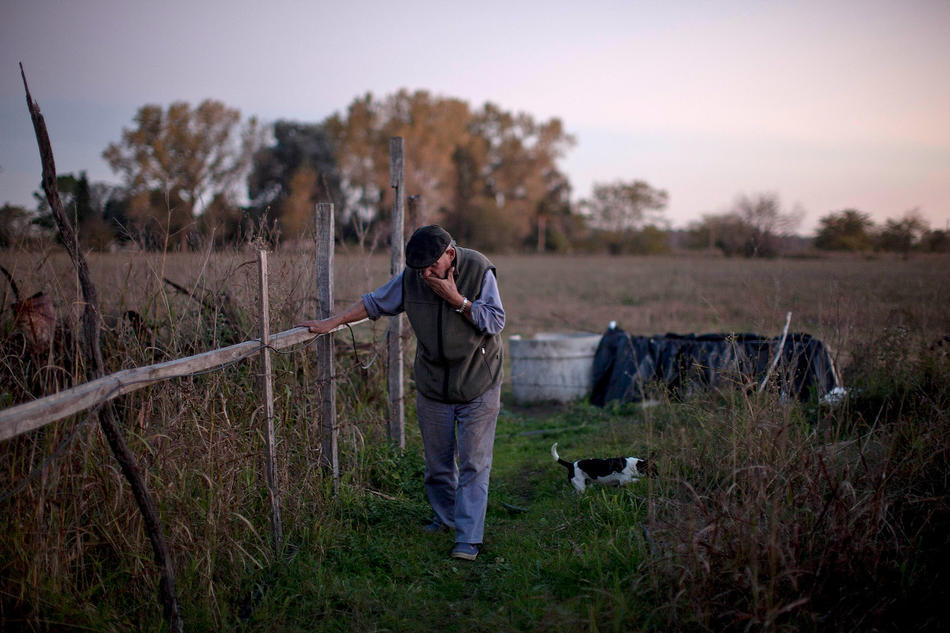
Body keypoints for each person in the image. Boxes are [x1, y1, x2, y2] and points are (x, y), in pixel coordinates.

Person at [298, 225, 505, 561]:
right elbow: (375, 303)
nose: (425, 274)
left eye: (431, 267)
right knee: (438, 465)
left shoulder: (479, 270)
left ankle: (468, 538)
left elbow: (495, 321)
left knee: (474, 464)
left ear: (449, 255)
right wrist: (332, 323)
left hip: (477, 381)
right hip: (433, 383)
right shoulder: (414, 277)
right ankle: (446, 518)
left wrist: (457, 300)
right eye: (419, 269)